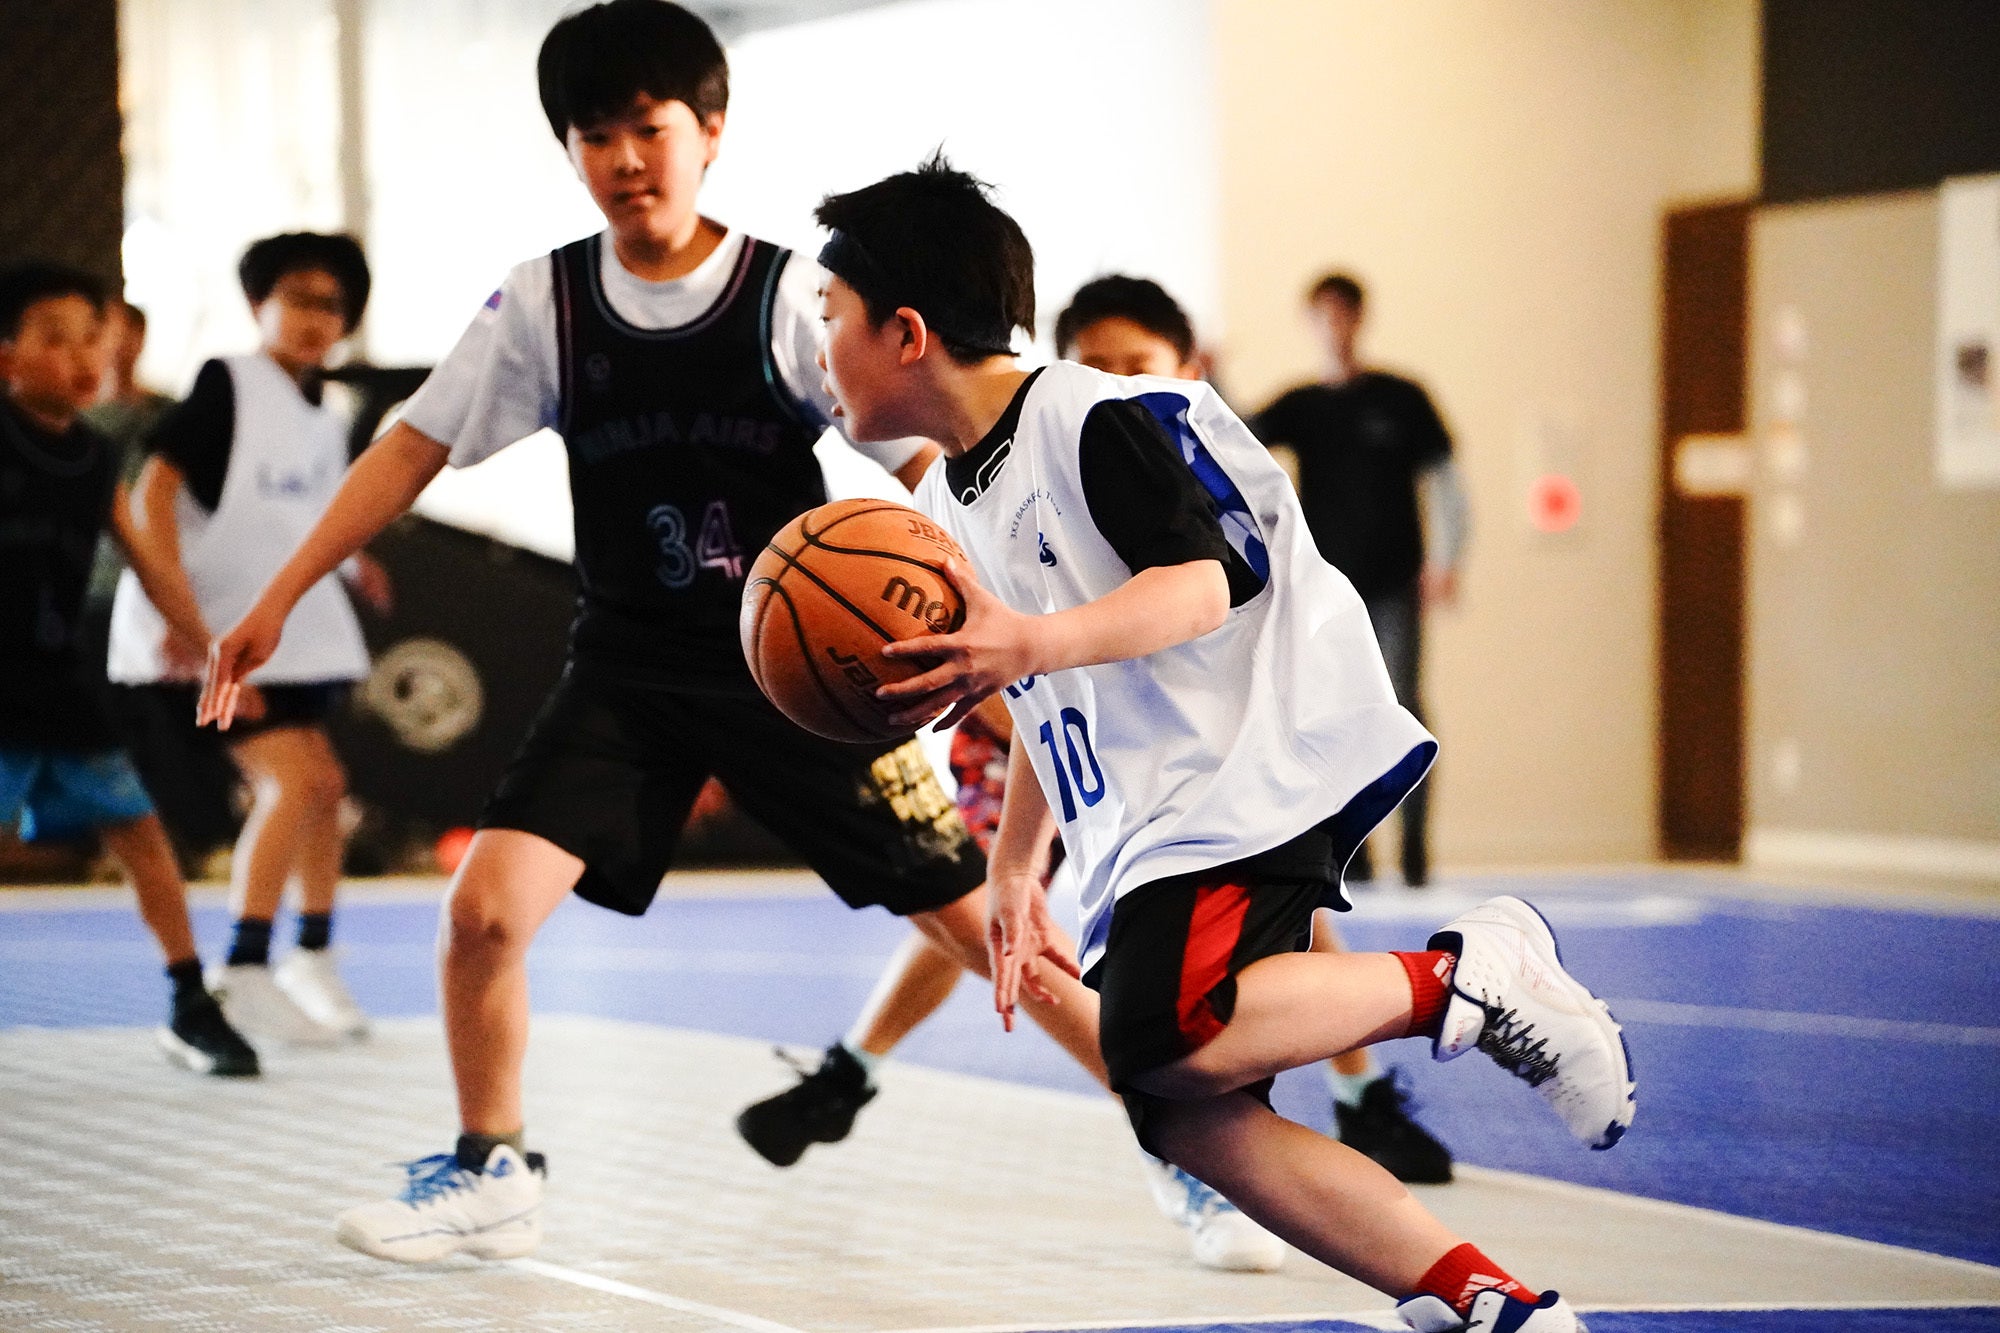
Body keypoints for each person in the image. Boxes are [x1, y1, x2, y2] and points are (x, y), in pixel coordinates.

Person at [198, 0, 1106, 1265]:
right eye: (595, 135)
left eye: (649, 128)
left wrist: (1012, 633)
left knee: (983, 927)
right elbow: (413, 445)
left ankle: (1189, 1140)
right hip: (625, 667)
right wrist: (283, 590)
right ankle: (490, 1168)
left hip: (794, 675)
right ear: (569, 151)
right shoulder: (546, 303)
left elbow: (924, 471)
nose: (625, 159)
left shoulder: (790, 297)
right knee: (481, 913)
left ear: (710, 131)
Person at [811, 157, 1633, 1332]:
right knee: (1177, 1108)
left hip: (1245, 762)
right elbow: (1044, 687)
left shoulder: (1091, 414)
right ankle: (1483, 1300)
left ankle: (1468, 975)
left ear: (904, 332)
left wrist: (1027, 641)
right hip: (1151, 812)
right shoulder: (944, 505)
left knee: (1160, 1028)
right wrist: (1015, 866)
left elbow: (1200, 586)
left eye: (830, 314)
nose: (819, 345)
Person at [738, 277, 1447, 1260]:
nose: (1111, 379)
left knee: (1245, 925)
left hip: (1165, 740)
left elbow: (1189, 596)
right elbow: (993, 614)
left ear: (1184, 372)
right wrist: (1007, 749)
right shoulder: (983, 466)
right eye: (1093, 364)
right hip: (1033, 722)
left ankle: (1358, 1077)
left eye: (1134, 366)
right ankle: (866, 1067)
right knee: (987, 907)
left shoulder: (1150, 463)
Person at [110, 232, 388, 1046]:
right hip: (200, 637)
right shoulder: (227, 385)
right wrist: (177, 618)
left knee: (324, 786)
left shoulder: (322, 412)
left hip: (273, 639)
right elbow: (150, 495)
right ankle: (244, 968)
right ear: (258, 303)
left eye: (331, 304)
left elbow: (311, 512)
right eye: (297, 297)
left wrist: (354, 563)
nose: (314, 316)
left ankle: (310, 956)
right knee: (294, 783)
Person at [0, 260, 259, 1078]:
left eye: (92, 337)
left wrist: (212, 646)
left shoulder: (95, 456)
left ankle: (191, 1005)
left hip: (58, 684)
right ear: (6, 356)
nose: (82, 356)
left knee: (144, 838)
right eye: (54, 338)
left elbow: (149, 563)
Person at [1253, 274, 1469, 888]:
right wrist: (1207, 374)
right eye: (1322, 315)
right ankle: (1357, 854)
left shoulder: (1402, 398)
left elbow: (1447, 482)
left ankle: (1416, 852)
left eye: (1342, 314)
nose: (1333, 326)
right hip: (1327, 588)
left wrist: (1447, 559)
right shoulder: (1302, 405)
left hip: (1394, 580)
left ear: (1359, 318)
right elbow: (1235, 432)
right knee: (1338, 712)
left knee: (1404, 706)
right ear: (1310, 323)